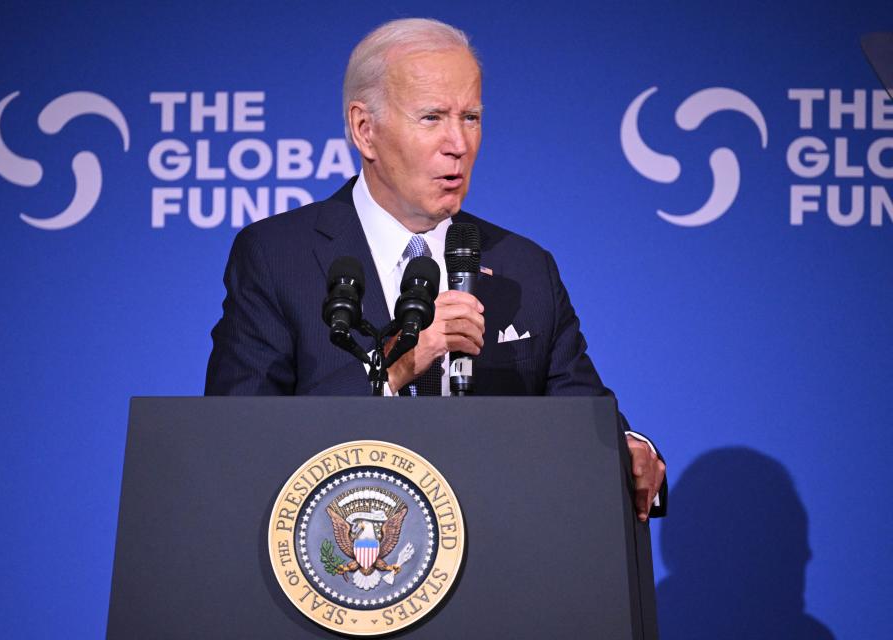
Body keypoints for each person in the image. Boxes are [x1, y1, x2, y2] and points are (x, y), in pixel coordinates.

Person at [205, 18, 666, 519]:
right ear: (366, 130)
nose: (458, 144)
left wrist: (631, 450)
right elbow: (236, 443)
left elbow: (586, 418)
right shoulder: (278, 256)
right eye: (431, 118)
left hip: (503, 565)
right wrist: (393, 372)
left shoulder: (524, 266)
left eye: (470, 117)